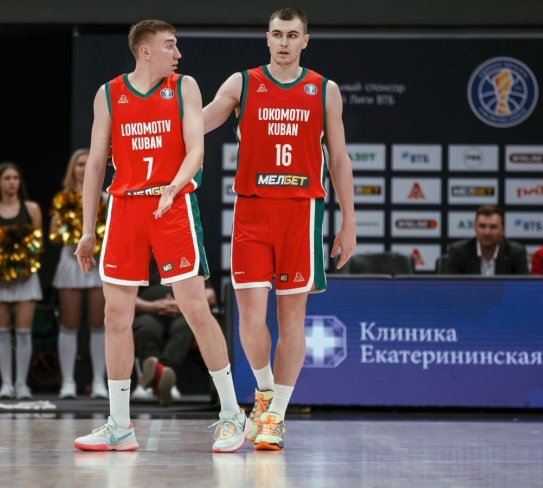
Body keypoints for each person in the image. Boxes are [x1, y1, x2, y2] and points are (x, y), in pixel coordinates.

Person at [73, 19, 248, 453]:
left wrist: (175, 185)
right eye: (170, 45)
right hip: (125, 207)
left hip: (172, 205)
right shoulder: (109, 94)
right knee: (115, 315)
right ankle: (119, 424)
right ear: (145, 51)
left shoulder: (184, 86)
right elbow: (95, 164)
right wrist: (87, 230)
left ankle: (232, 414)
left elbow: (196, 148)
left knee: (195, 308)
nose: (178, 53)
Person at [203, 7, 356, 450]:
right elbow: (199, 123)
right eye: (277, 34)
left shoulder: (324, 90)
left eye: (292, 35)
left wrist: (349, 219)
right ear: (266, 38)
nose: (284, 42)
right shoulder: (242, 83)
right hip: (252, 211)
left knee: (292, 321)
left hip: (301, 213)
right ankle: (266, 393)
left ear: (305, 40)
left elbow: (339, 159)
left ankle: (275, 417)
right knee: (250, 318)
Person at [0, 163, 43, 399]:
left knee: (24, 331)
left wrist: (20, 254)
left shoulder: (32, 209)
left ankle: (21, 384)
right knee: (2, 331)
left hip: (25, 277)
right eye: (7, 178)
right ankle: (6, 384)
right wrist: (2, 253)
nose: (12, 182)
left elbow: (38, 243)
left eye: (16, 178)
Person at [49, 149, 108, 400]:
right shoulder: (62, 199)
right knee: (69, 322)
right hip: (69, 261)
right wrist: (71, 233)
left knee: (98, 322)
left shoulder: (105, 198)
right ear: (72, 169)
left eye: (87, 164)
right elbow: (53, 234)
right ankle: (68, 382)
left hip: (96, 262)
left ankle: (99, 382)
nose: (83, 169)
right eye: (79, 164)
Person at [131, 256, 217, 405]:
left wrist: (182, 305)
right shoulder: (138, 257)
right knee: (146, 328)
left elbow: (210, 295)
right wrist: (153, 306)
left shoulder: (189, 255)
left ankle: (159, 373)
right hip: (148, 312)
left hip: (183, 313)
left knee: (187, 326)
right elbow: (125, 296)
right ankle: (161, 377)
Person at [444, 205, 529, 275]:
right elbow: (452, 288)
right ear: (475, 228)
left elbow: (522, 288)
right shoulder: (458, 252)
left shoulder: (516, 253)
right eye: (482, 226)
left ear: (503, 230)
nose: (487, 232)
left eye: (493, 227)